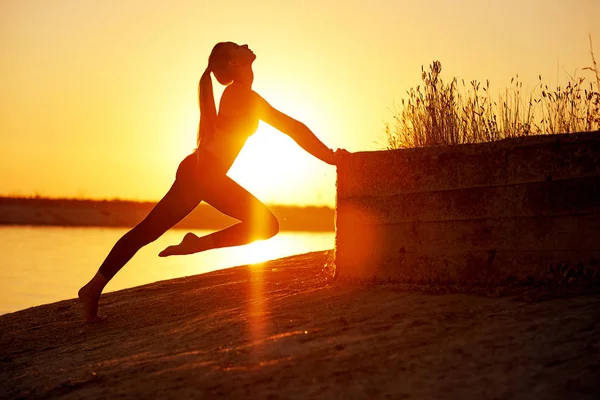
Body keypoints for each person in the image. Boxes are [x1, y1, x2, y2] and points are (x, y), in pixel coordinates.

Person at [78, 42, 348, 322]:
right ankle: (190, 247)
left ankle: (92, 289)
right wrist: (329, 157)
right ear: (233, 63)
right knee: (266, 225)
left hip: (201, 171)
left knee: (148, 231)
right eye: (237, 46)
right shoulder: (241, 95)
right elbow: (292, 128)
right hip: (204, 173)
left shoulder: (240, 94)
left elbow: (291, 129)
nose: (245, 45)